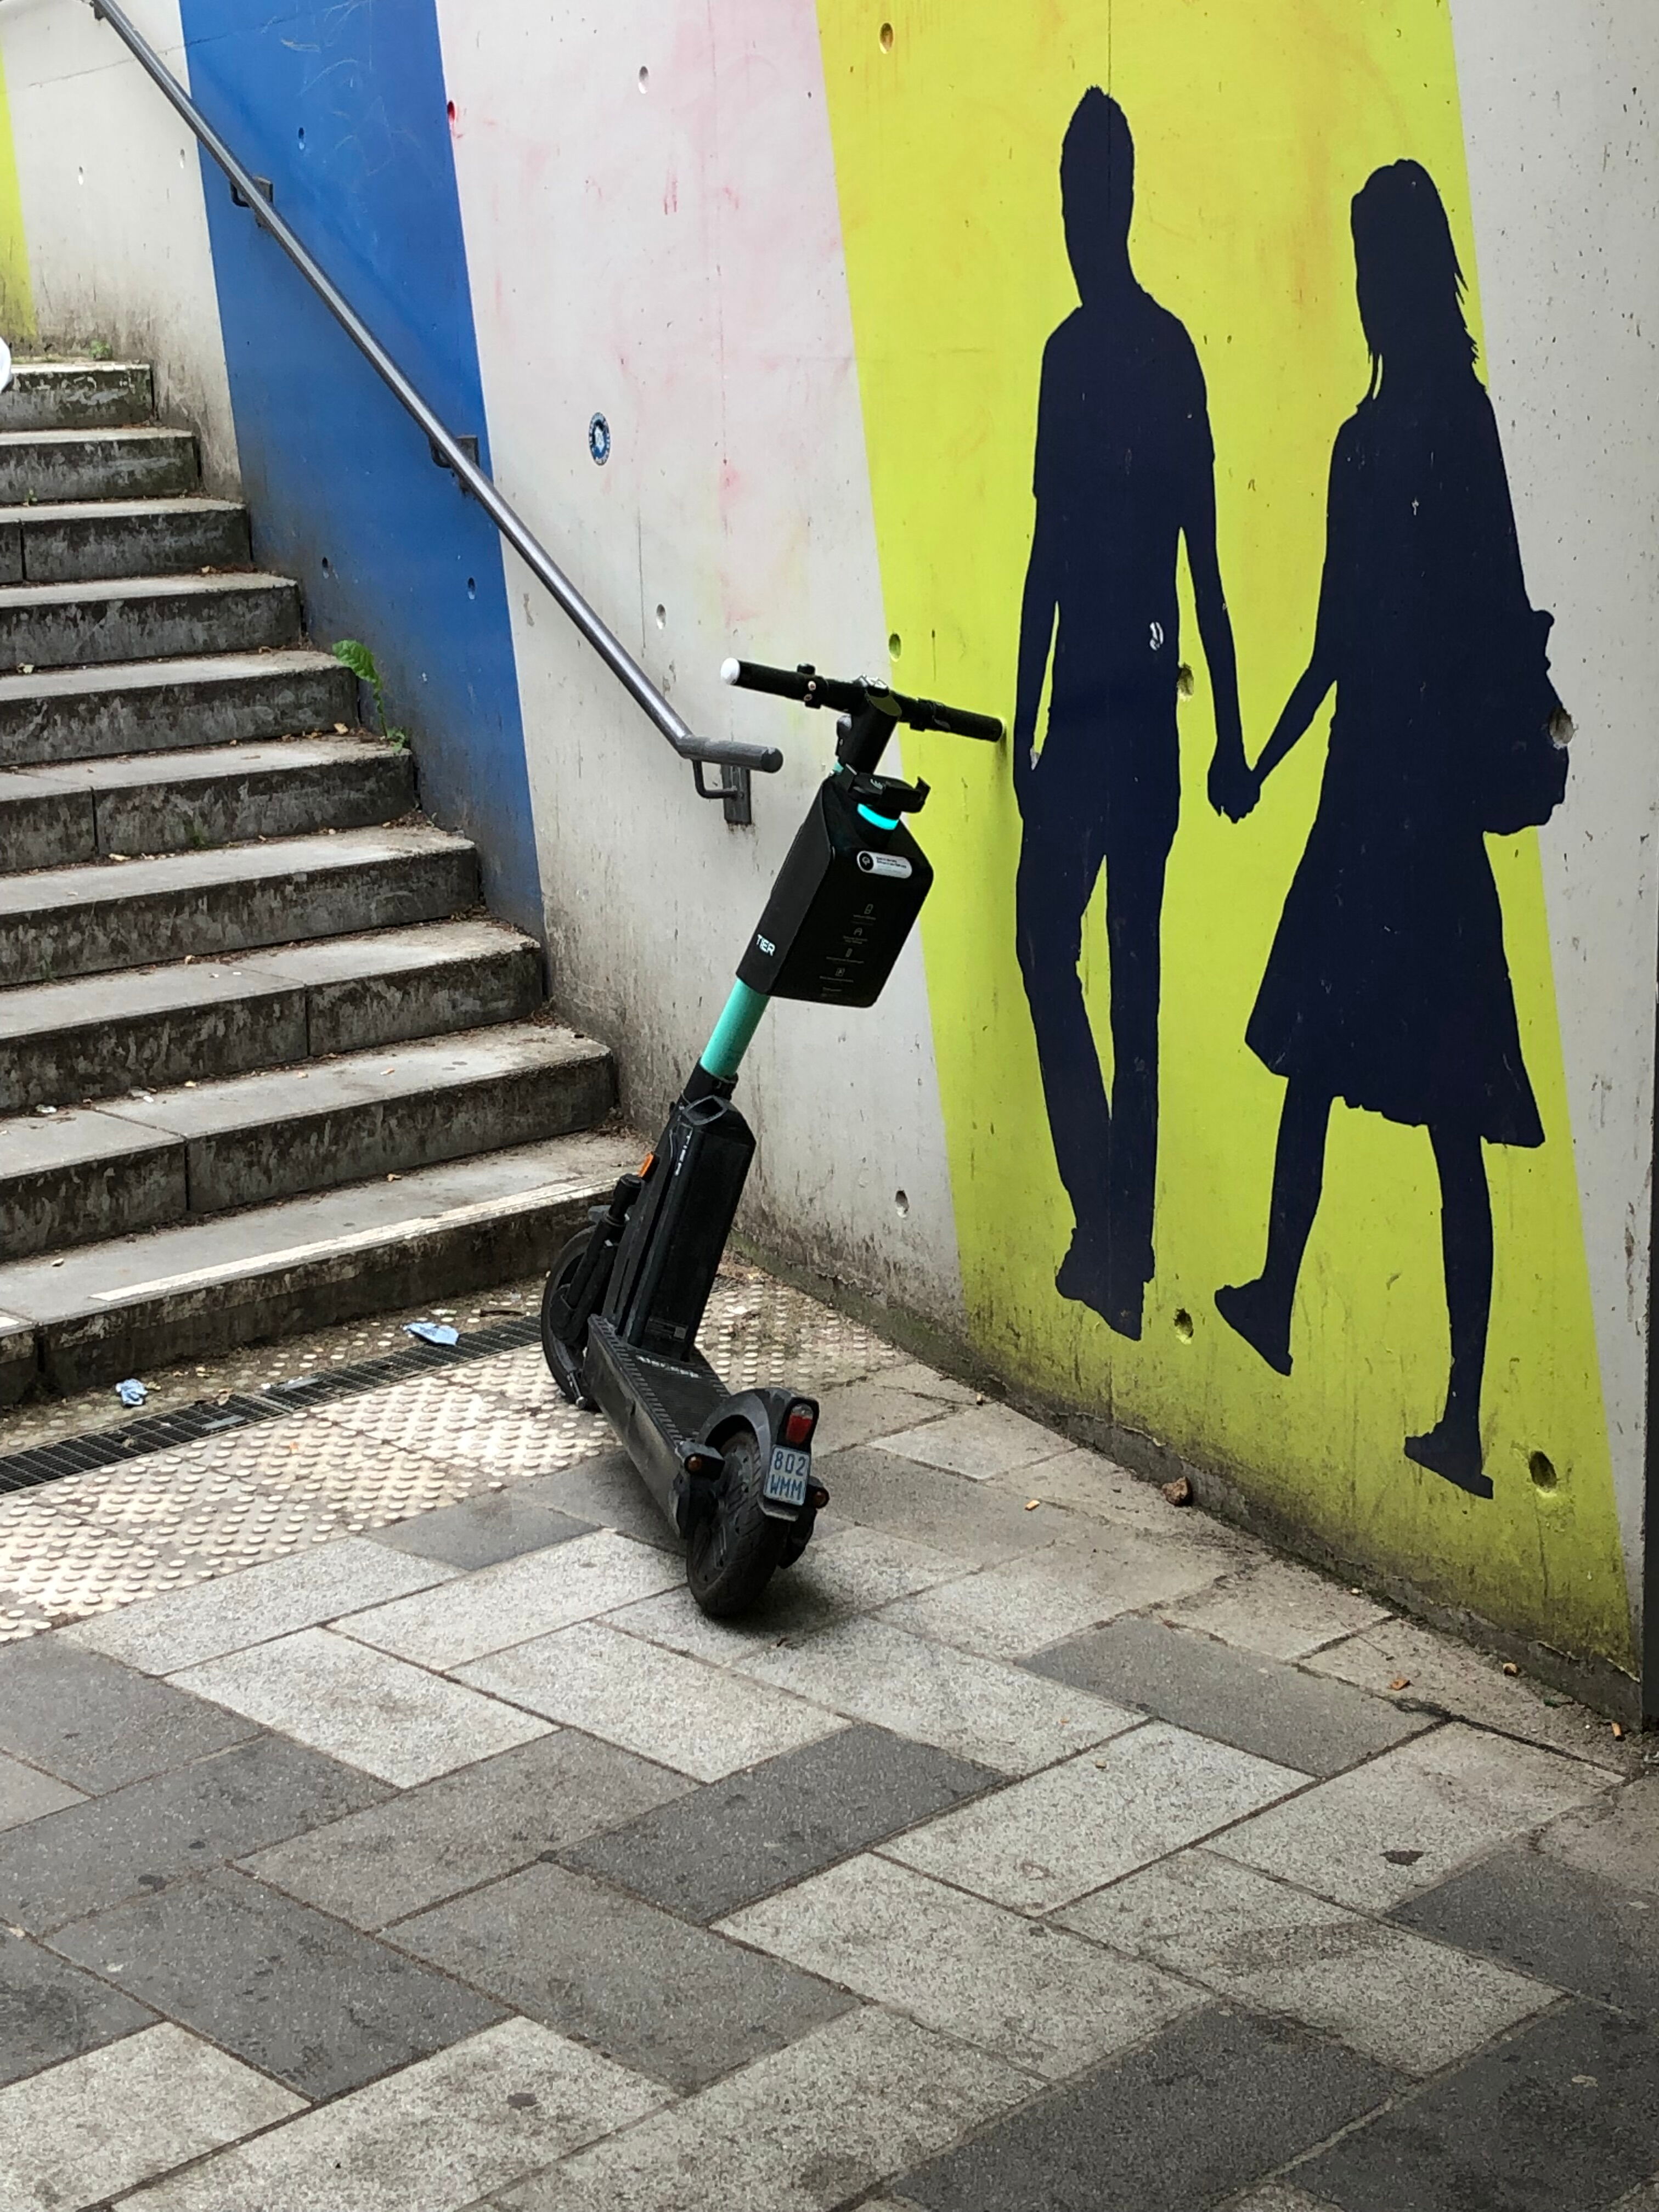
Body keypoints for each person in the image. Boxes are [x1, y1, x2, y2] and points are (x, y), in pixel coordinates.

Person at [1216, 159, 1548, 1499]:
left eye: (1375, 268)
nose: (1365, 295)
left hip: (1383, 809)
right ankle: (1316, 1318)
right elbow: (1357, 634)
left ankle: (1360, 1346)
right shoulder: (1423, 429)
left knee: (1355, 1071)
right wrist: (1265, 761)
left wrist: (1266, 760)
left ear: (1404, 275)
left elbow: (1359, 637)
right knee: (1410, 1093)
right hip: (1394, 804)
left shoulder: (1415, 431)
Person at [1014, 88, 1249, 1340]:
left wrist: (1227, 727)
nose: (1073, 221)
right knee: (1106, 974)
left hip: (1114, 720)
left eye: (1083, 198)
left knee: (1089, 968)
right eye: (1066, 201)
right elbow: (1071, 553)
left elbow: (1185, 559)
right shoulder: (1150, 353)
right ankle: (1118, 1229)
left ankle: (1114, 1232)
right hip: (1124, 723)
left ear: (1114, 201)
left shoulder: (1116, 353)